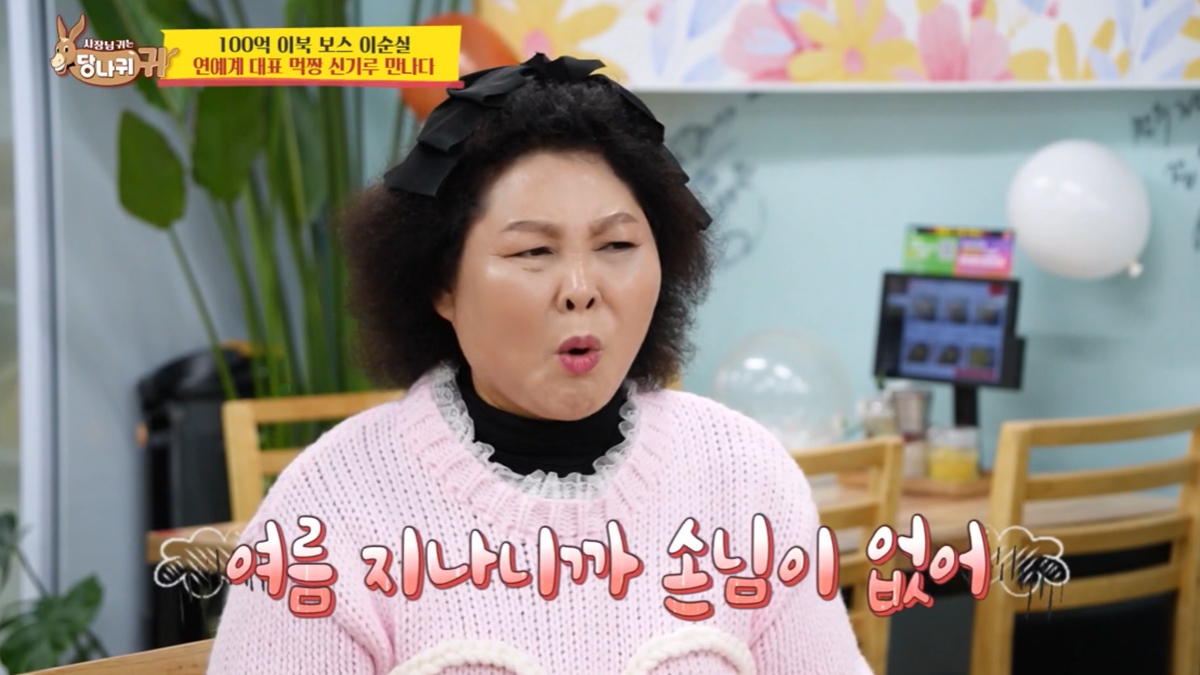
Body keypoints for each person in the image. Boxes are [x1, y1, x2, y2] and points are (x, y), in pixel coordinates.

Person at [207, 53, 871, 674]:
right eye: (532, 253)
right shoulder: (328, 510)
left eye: (617, 245)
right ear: (441, 284)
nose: (581, 288)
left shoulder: (748, 477)